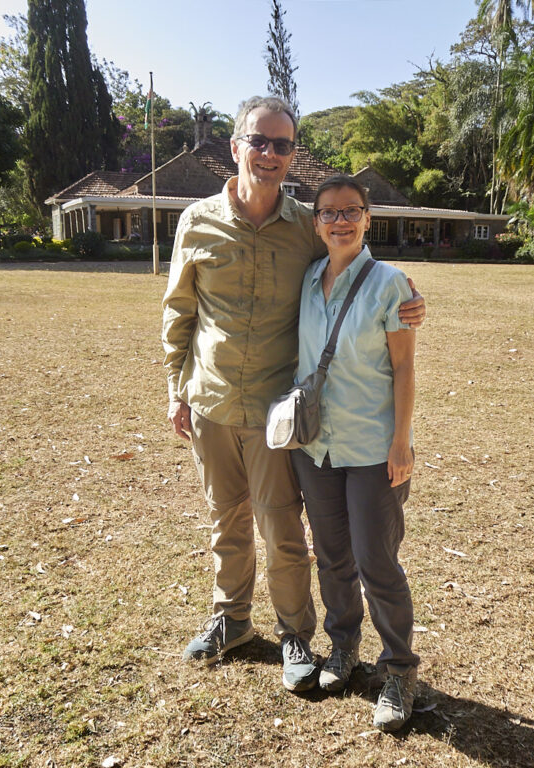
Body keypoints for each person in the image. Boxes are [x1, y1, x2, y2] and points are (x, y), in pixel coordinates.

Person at [161, 96, 426, 693]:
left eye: (284, 145)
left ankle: (296, 636)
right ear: (237, 146)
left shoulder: (304, 227)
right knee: (223, 519)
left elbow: (351, 264)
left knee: (281, 527)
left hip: (277, 413)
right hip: (209, 399)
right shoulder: (196, 221)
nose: (272, 154)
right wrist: (176, 389)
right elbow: (179, 311)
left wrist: (407, 297)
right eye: (260, 141)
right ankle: (231, 620)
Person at [289, 175, 419, 731]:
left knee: (377, 562)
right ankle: (343, 647)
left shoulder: (391, 285)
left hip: (372, 447)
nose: (339, 221)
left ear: (368, 219)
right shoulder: (307, 278)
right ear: (316, 222)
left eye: (350, 211)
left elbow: (406, 366)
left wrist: (401, 440)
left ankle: (399, 669)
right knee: (332, 556)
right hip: (315, 446)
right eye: (328, 213)